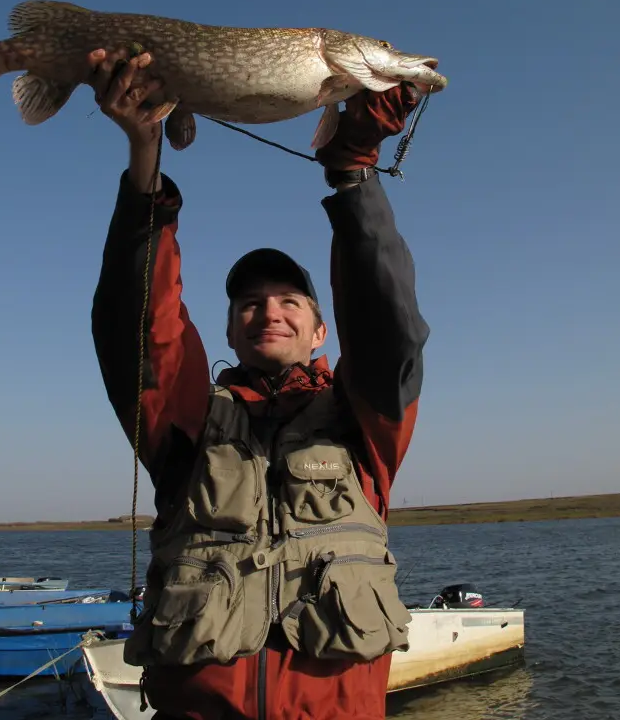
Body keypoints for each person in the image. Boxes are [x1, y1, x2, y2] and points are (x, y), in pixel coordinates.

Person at [90, 46, 430, 720]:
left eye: (288, 302)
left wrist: (354, 175)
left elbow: (388, 325)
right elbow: (139, 326)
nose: (268, 311)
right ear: (230, 330)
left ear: (320, 331)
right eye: (249, 303)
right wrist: (145, 157)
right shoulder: (186, 424)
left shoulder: (363, 425)